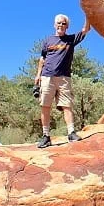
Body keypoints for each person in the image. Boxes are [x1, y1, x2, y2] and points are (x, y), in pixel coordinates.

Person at [34, 13, 91, 148]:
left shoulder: (70, 39)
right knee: (45, 106)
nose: (61, 25)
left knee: (67, 105)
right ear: (54, 25)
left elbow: (85, 30)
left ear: (67, 26)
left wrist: (88, 14)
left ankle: (71, 133)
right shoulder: (48, 40)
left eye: (63, 23)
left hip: (64, 77)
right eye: (59, 23)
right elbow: (42, 58)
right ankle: (46, 136)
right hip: (47, 76)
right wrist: (38, 75)